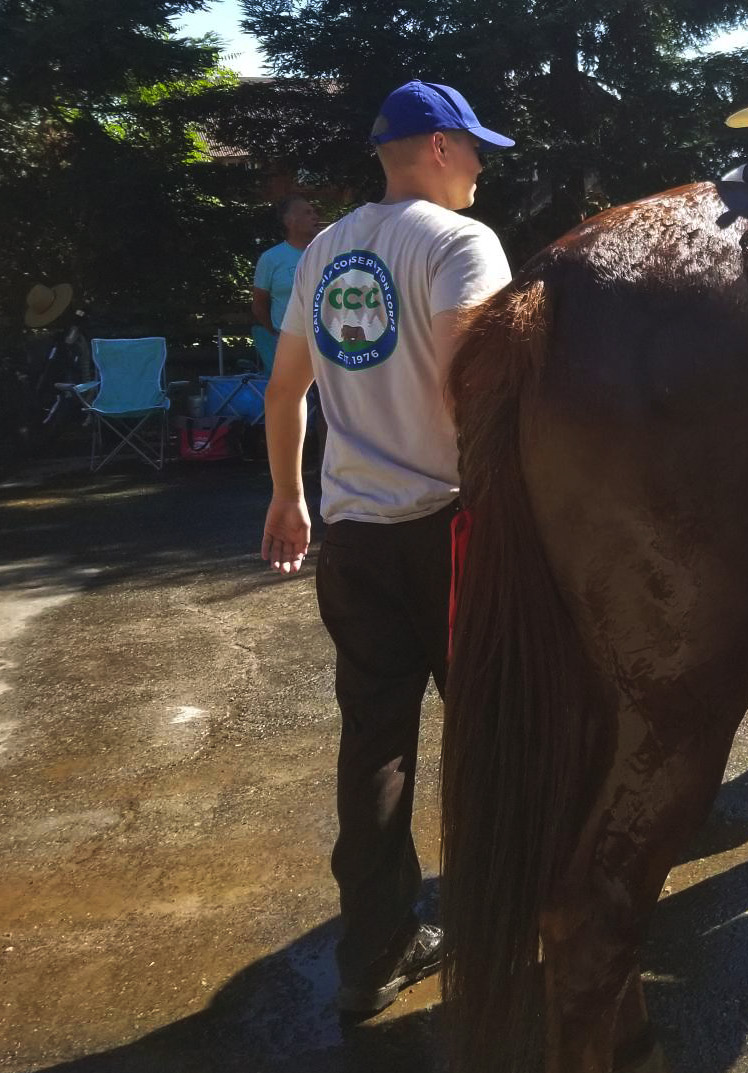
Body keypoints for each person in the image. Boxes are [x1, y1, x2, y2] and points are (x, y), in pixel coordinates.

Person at [258, 79, 515, 1016]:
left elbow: (285, 390)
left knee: (375, 745)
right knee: (492, 731)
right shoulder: (460, 244)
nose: (484, 168)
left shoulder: (322, 250)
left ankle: (372, 955)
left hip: (355, 534)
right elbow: (469, 393)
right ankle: (504, 925)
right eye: (477, 148)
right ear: (440, 147)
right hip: (450, 529)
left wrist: (291, 499)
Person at [251, 196, 323, 374]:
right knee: (297, 397)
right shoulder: (271, 258)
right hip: (290, 344)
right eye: (307, 213)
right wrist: (276, 333)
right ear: (290, 221)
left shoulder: (328, 253)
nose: (315, 216)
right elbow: (259, 304)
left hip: (328, 342)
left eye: (314, 212)